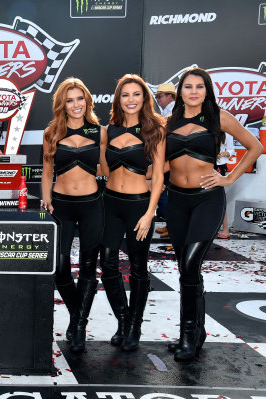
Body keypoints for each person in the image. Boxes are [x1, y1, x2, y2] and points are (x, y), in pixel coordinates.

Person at [164, 67, 262, 361]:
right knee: (186, 268)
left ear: (207, 90)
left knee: (192, 262)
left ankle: (187, 335)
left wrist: (229, 178)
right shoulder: (170, 121)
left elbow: (254, 146)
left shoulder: (219, 117)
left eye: (199, 87)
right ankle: (197, 332)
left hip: (207, 199)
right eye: (187, 86)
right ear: (179, 91)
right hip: (176, 201)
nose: (193, 92)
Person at [101, 74, 166, 352]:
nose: (130, 100)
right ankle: (123, 319)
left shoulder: (155, 131)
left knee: (138, 268)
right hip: (110, 204)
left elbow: (161, 175)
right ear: (118, 99)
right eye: (125, 95)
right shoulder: (108, 130)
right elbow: (103, 169)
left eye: (136, 94)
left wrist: (150, 212)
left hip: (140, 205)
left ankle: (134, 326)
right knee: (108, 265)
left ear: (144, 98)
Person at [40, 77, 104, 353]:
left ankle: (78, 324)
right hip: (62, 205)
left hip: (93, 204)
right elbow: (46, 171)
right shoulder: (52, 132)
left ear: (87, 101)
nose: (76, 104)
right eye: (70, 100)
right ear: (62, 104)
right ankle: (78, 312)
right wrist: (46, 197)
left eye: (80, 99)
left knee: (89, 268)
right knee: (60, 266)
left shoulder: (100, 132)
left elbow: (108, 168)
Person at [154, 82, 176, 238]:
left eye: (160, 96)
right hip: (167, 158)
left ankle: (173, 226)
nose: (158, 100)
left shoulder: (173, 111)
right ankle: (171, 225)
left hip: (170, 160)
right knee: (166, 193)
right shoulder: (166, 111)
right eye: (156, 96)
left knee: (164, 193)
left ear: (170, 96)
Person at [216, 133, 235, 239]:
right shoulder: (205, 126)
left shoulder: (227, 132)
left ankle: (225, 228)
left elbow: (231, 150)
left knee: (219, 196)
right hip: (203, 164)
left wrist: (223, 154)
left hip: (219, 165)